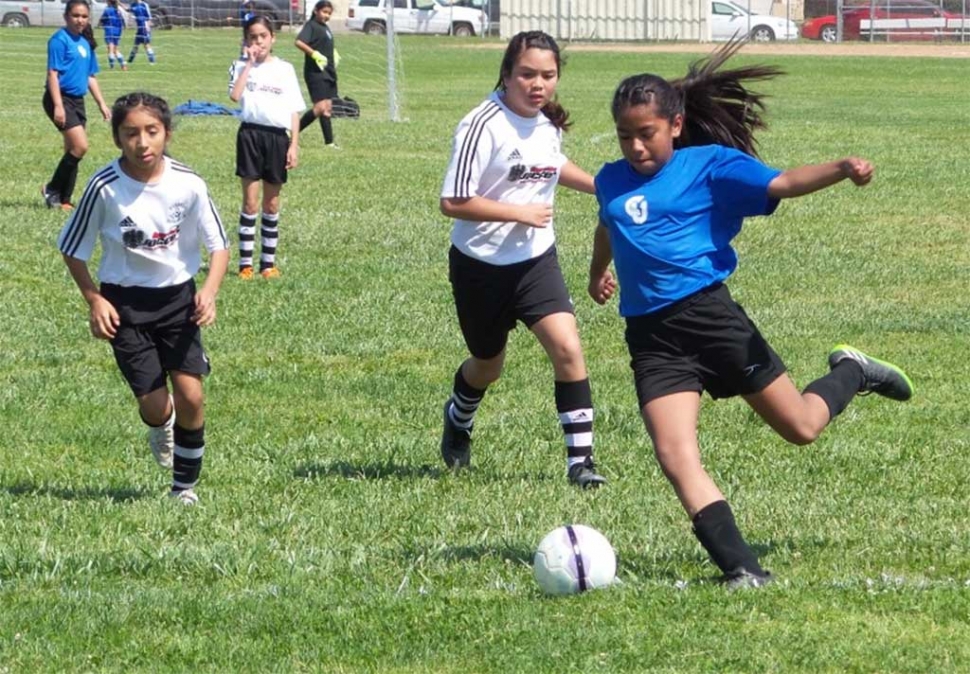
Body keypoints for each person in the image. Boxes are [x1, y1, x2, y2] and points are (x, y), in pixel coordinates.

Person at [587, 42, 914, 587]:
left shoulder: (709, 166)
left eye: (647, 133)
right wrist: (599, 269)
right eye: (626, 135)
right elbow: (608, 221)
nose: (636, 146)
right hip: (651, 338)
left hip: (711, 320)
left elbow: (781, 183)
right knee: (674, 455)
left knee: (802, 427)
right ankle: (742, 568)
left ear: (675, 124)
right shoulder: (610, 178)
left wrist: (840, 168)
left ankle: (853, 370)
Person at [438, 30, 605, 489]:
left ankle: (580, 463)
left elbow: (552, 163)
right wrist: (518, 212)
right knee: (487, 366)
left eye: (548, 76)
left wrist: (598, 185)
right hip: (479, 266)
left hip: (535, 262)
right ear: (507, 74)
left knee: (568, 348)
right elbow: (452, 201)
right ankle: (459, 417)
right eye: (528, 74)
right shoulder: (481, 124)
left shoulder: (545, 121)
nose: (538, 84)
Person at [57, 92, 229, 505]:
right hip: (125, 307)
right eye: (131, 133)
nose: (142, 142)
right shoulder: (104, 187)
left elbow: (219, 246)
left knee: (192, 395)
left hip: (179, 303)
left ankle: (183, 488)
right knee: (155, 405)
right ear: (117, 138)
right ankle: (159, 424)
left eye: (152, 131)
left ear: (167, 133)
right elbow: (72, 249)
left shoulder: (188, 183)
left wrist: (209, 291)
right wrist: (95, 300)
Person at [228, 16, 306, 279]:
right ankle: (245, 264)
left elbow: (295, 110)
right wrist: (248, 64)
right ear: (246, 40)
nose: (258, 41)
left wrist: (293, 145)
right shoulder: (240, 66)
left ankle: (268, 263)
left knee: (271, 203)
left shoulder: (284, 69)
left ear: (273, 38)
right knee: (250, 202)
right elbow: (235, 96)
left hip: (277, 139)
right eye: (253, 37)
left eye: (263, 36)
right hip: (250, 135)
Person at [42, 0, 112, 212]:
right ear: (66, 17)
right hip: (59, 98)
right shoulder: (59, 40)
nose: (79, 20)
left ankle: (64, 200)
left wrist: (101, 104)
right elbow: (52, 74)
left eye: (83, 16)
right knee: (80, 146)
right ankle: (51, 188)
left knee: (71, 150)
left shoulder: (85, 43)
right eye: (75, 15)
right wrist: (58, 106)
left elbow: (90, 77)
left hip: (77, 101)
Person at [295, 0, 341, 148]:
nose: (326, 15)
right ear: (316, 11)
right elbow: (299, 42)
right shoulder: (311, 26)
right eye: (324, 12)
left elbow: (324, 43)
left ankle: (329, 143)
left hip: (328, 72)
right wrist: (314, 54)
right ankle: (291, 133)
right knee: (320, 107)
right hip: (315, 72)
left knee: (327, 108)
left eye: (329, 13)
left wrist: (333, 53)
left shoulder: (325, 28)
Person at [98, 0, 126, 70]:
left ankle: (112, 67)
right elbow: (122, 21)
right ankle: (123, 64)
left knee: (110, 49)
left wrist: (99, 24)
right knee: (115, 49)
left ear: (109, 2)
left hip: (109, 31)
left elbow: (102, 20)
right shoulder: (118, 10)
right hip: (118, 31)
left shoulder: (107, 10)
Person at [127, 0, 156, 65]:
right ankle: (130, 61)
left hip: (144, 27)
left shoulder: (144, 5)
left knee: (146, 45)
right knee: (135, 45)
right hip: (139, 28)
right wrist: (118, 3)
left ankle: (152, 61)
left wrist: (148, 26)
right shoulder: (133, 5)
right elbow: (127, 9)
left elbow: (149, 17)